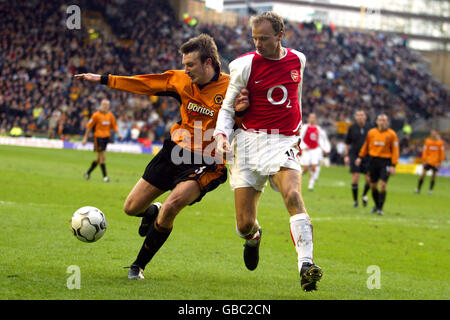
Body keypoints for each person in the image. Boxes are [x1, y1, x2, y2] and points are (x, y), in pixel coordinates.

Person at [75, 34, 231, 280]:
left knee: (171, 206)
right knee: (131, 207)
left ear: (208, 62)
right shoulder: (180, 80)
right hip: (175, 152)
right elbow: (144, 84)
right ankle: (150, 213)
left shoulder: (232, 90)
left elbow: (251, 119)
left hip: (207, 160)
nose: (186, 69)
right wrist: (104, 79)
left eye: (190, 64)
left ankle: (138, 266)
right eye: (184, 64)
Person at [214, 12, 322, 292]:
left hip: (281, 143)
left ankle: (306, 266)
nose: (258, 43)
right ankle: (254, 237)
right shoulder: (243, 65)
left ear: (279, 35)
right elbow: (227, 107)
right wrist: (222, 135)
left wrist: (294, 130)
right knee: (244, 224)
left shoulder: (298, 59)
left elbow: (294, 97)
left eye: (264, 38)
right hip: (247, 144)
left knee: (294, 195)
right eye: (255, 38)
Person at [356, 114, 399, 216]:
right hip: (373, 161)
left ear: (387, 122)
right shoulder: (371, 133)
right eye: (380, 120)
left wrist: (393, 165)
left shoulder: (392, 134)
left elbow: (395, 150)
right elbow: (366, 146)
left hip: (386, 162)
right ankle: (376, 205)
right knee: (373, 186)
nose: (382, 122)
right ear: (377, 121)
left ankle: (380, 208)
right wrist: (360, 157)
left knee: (383, 185)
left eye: (384, 120)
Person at [82, 98, 122, 182]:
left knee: (98, 159)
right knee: (103, 157)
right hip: (98, 138)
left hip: (106, 138)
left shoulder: (110, 115)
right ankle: (105, 177)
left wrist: (119, 134)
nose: (105, 106)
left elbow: (114, 126)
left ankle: (87, 173)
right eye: (104, 104)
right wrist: (85, 138)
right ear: (100, 105)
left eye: (107, 105)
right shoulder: (96, 115)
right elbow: (89, 126)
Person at [344, 110, 372, 208]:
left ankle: (364, 194)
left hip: (367, 155)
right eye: (358, 115)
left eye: (362, 115)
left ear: (365, 116)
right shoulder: (352, 128)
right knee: (355, 177)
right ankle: (355, 201)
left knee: (369, 179)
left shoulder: (371, 127)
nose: (360, 117)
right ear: (355, 117)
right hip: (354, 155)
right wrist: (346, 156)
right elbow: (347, 143)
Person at [300, 112, 330, 191]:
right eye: (311, 117)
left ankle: (310, 185)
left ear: (315, 119)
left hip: (315, 150)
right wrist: (303, 146)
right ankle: (297, 177)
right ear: (309, 118)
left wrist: (324, 148)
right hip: (307, 150)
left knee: (314, 167)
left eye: (314, 117)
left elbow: (320, 139)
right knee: (305, 168)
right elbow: (300, 138)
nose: (312, 119)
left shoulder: (318, 128)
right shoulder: (305, 127)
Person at [415, 129, 445, 195]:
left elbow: (442, 153)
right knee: (423, 175)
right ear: (431, 134)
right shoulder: (428, 141)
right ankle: (418, 189)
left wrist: (440, 162)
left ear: (437, 133)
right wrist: (424, 160)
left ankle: (430, 190)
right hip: (428, 161)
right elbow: (425, 151)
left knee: (433, 176)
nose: (433, 134)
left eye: (435, 133)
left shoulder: (440, 142)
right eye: (432, 133)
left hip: (436, 162)